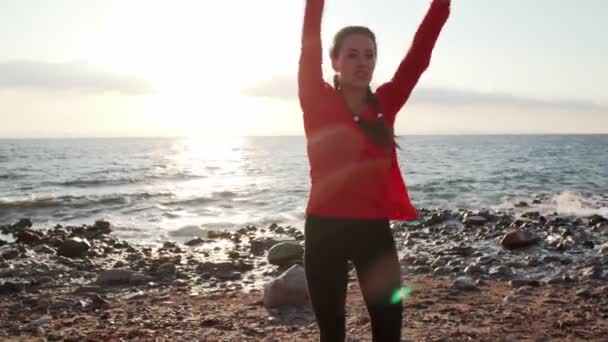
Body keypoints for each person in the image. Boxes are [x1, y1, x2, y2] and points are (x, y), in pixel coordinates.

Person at [298, 0, 451, 340]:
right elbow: (309, 37)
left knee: (388, 328)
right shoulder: (316, 98)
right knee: (332, 334)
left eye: (369, 55)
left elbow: (419, 55)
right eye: (352, 55)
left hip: (374, 233)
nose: (362, 62)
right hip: (325, 231)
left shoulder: (385, 103)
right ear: (334, 61)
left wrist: (441, 5)